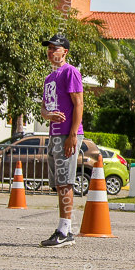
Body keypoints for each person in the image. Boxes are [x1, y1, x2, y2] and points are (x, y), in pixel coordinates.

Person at [39, 33, 84, 248]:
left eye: (54, 48)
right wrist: (48, 116)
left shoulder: (71, 72)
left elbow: (79, 104)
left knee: (65, 182)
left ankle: (65, 230)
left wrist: (73, 134)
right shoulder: (49, 77)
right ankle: (63, 229)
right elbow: (43, 108)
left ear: (64, 52)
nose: (50, 51)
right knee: (59, 184)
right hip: (54, 134)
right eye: (48, 48)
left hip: (67, 134)